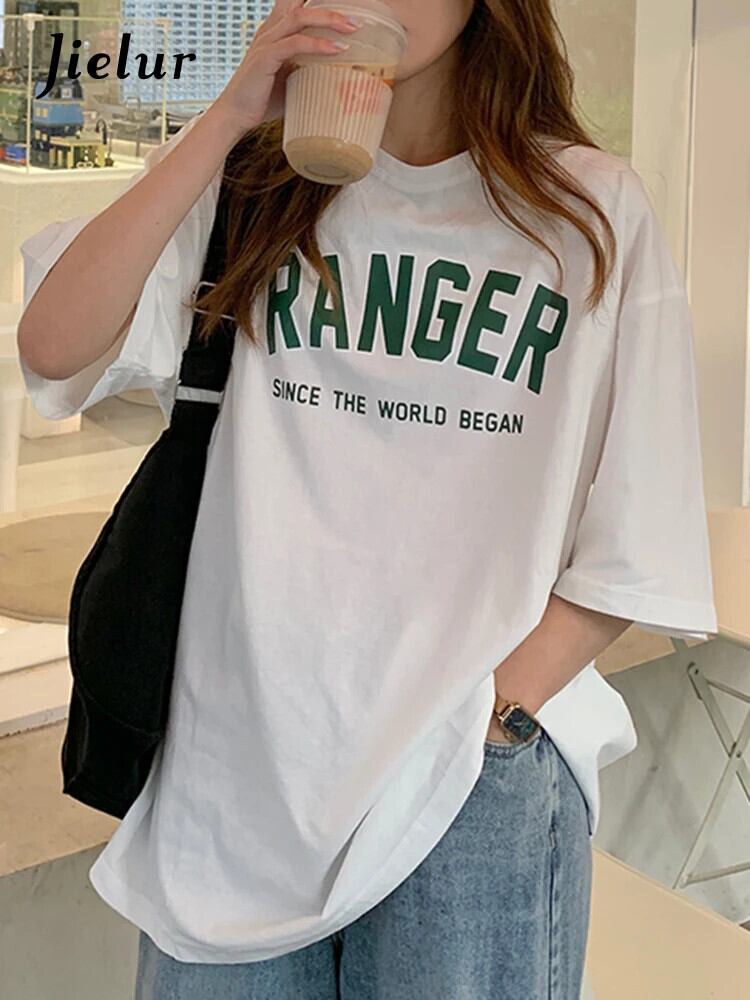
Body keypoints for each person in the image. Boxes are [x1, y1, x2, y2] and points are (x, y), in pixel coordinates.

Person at [17, 1, 717, 997]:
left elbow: (639, 541)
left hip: (466, 787)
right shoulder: (250, 189)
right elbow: (53, 345)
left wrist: (493, 720)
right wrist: (228, 117)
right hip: (235, 788)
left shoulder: (589, 213)